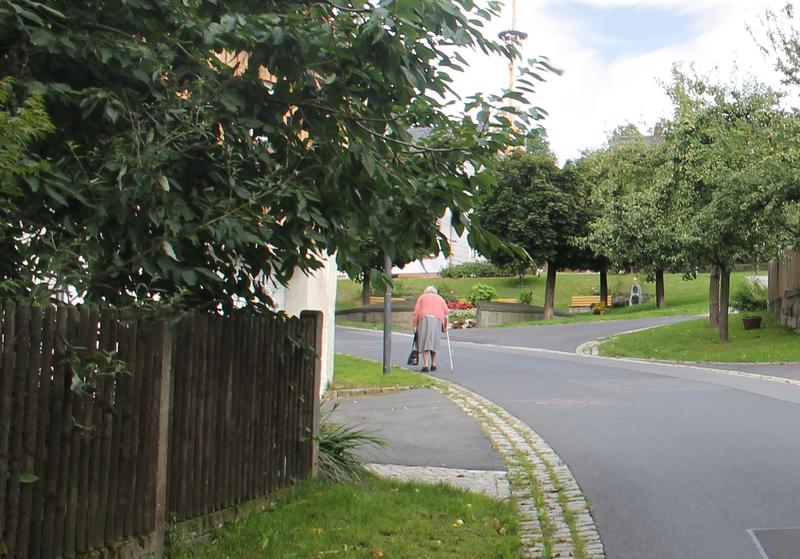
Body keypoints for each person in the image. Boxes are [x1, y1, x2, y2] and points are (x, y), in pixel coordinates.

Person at [411, 286, 449, 372]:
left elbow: (416, 312)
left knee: (424, 340)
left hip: (424, 319)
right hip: (438, 319)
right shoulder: (440, 298)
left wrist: (414, 325)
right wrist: (445, 327)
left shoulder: (422, 297)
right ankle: (434, 364)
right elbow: (446, 313)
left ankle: (426, 365)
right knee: (434, 341)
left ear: (426, 291)